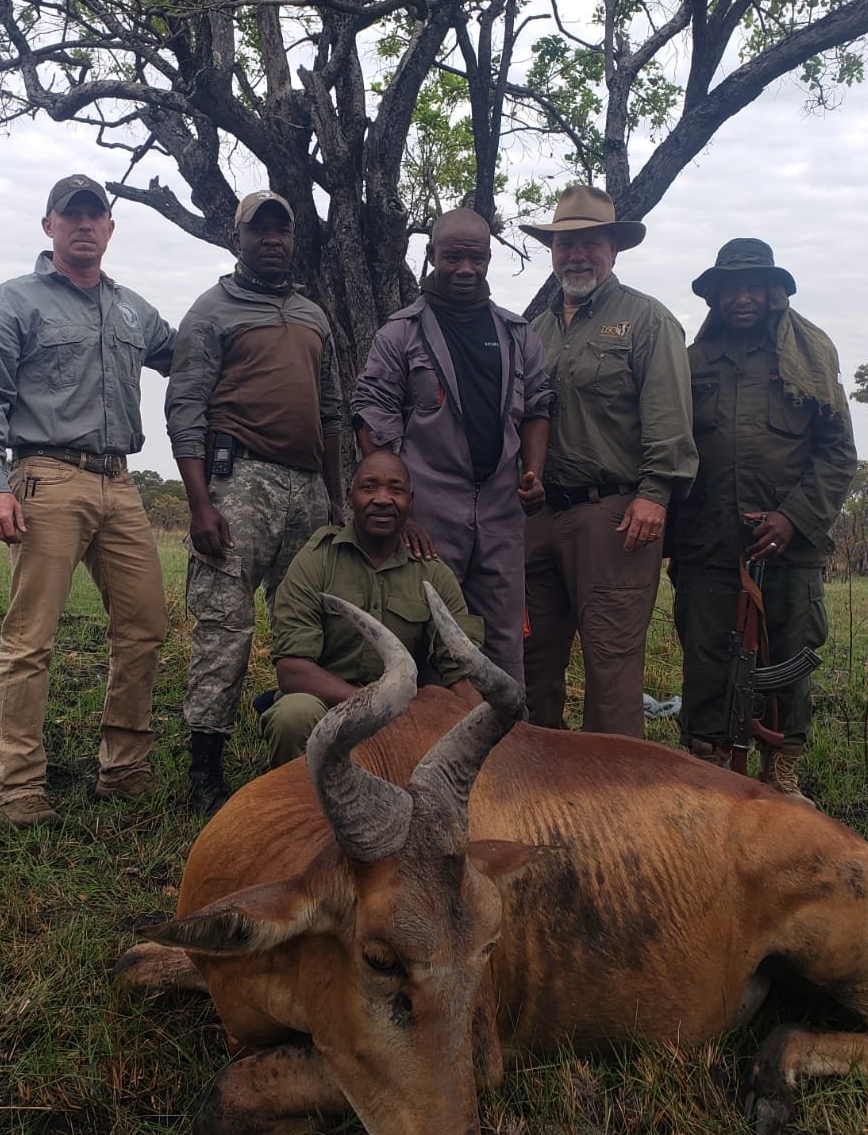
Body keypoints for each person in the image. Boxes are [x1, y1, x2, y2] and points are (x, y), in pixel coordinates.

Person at [0, 173, 176, 829]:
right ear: (49, 226)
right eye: (69, 215)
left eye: (94, 215)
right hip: (46, 475)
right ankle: (19, 786)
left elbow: (193, 355)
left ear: (110, 228)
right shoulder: (16, 301)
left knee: (145, 626)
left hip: (121, 481)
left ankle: (124, 767)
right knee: (31, 639)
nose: (83, 226)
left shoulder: (133, 308)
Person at [165, 189, 346, 813]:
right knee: (225, 624)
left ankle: (302, 738)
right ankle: (205, 768)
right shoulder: (211, 311)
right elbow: (184, 409)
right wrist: (200, 504)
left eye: (282, 230)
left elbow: (331, 410)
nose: (272, 240)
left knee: (312, 617)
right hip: (238, 480)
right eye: (258, 230)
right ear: (236, 238)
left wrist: (336, 497)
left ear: (293, 240)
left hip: (308, 487)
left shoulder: (314, 315)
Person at [669, 238, 857, 800]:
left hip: (789, 552)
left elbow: (838, 454)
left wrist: (792, 518)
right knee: (704, 663)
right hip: (708, 544)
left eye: (754, 286)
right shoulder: (692, 363)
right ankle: (708, 770)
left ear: (774, 293)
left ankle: (783, 772)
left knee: (789, 661)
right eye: (731, 288)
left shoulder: (810, 359)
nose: (743, 297)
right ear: (717, 297)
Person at [520, 184, 697, 736]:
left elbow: (668, 414)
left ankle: (616, 800)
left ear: (613, 249)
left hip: (616, 514)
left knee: (612, 665)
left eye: (590, 243)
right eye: (564, 244)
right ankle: (533, 780)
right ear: (551, 252)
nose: (576, 255)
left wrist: (655, 494)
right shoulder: (535, 329)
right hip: (539, 516)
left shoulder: (647, 320)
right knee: (531, 658)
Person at [351, 207, 552, 689]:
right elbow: (371, 415)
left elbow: (540, 405)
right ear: (431, 255)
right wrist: (401, 510)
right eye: (453, 257)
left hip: (502, 510)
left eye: (476, 258)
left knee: (503, 637)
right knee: (425, 633)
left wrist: (534, 472)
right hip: (429, 515)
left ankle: (504, 751)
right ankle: (417, 748)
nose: (465, 269)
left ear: (488, 258)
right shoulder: (401, 332)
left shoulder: (516, 333)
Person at [263, 451, 484, 764]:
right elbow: (292, 670)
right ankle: (300, 805)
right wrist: (374, 704)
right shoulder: (316, 560)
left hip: (407, 717)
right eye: (369, 487)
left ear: (411, 499)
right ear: (350, 496)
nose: (383, 499)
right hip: (332, 707)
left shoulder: (434, 574)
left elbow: (461, 673)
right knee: (293, 714)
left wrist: (490, 727)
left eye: (395, 489)